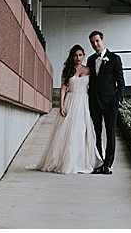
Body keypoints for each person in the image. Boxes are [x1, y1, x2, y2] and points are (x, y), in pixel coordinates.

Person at [32, 45, 103, 174]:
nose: (78, 58)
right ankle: (66, 160)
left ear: (84, 56)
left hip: (83, 102)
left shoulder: (89, 70)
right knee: (67, 130)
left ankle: (80, 161)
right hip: (70, 101)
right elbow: (63, 88)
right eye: (75, 55)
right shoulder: (67, 71)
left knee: (82, 131)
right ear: (72, 56)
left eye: (80, 55)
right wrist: (61, 106)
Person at [86, 30, 125, 175]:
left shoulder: (114, 59)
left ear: (102, 40)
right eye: (92, 42)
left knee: (110, 134)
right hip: (95, 102)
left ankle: (108, 164)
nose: (95, 44)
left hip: (110, 103)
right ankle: (99, 162)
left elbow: (121, 82)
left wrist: (118, 100)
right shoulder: (90, 60)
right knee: (96, 133)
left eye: (97, 41)